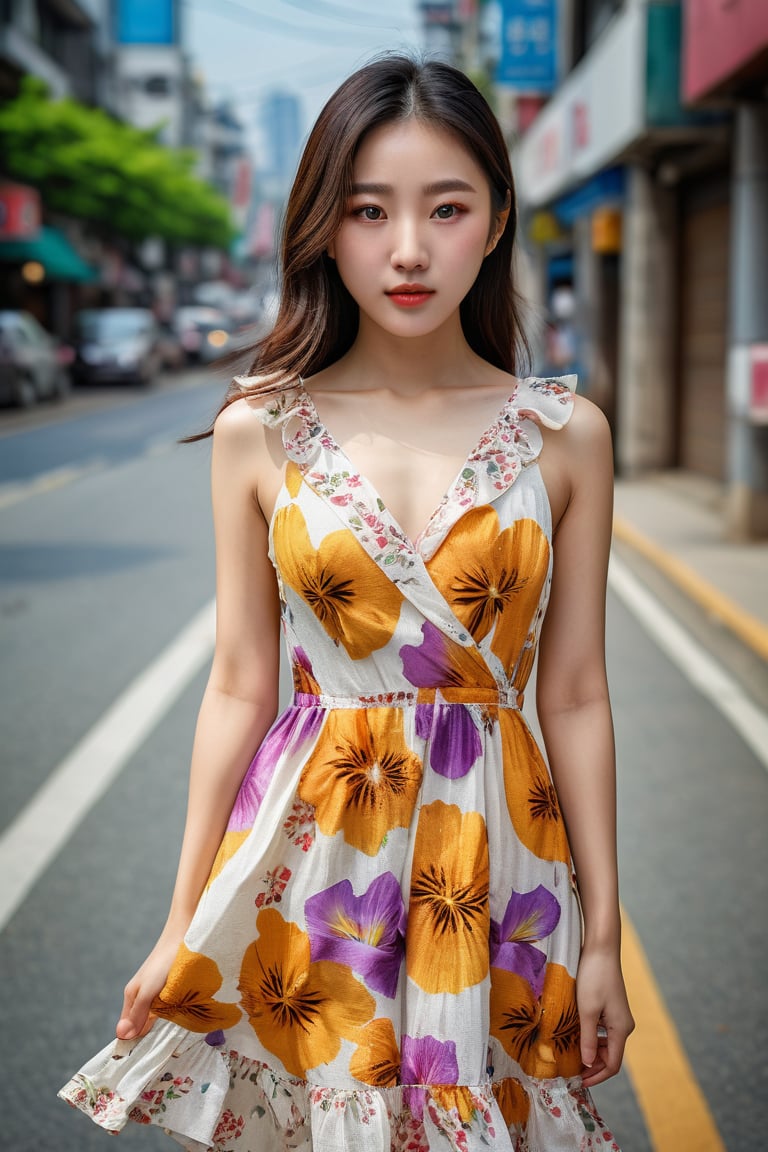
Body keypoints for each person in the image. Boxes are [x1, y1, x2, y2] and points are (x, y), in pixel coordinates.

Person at [60, 55, 634, 1151]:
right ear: (326, 225)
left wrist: (604, 936)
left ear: (497, 220)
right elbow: (238, 687)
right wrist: (180, 925)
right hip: (319, 874)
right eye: (369, 210)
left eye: (446, 207)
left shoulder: (568, 436)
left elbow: (573, 696)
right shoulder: (259, 430)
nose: (408, 248)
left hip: (500, 873)